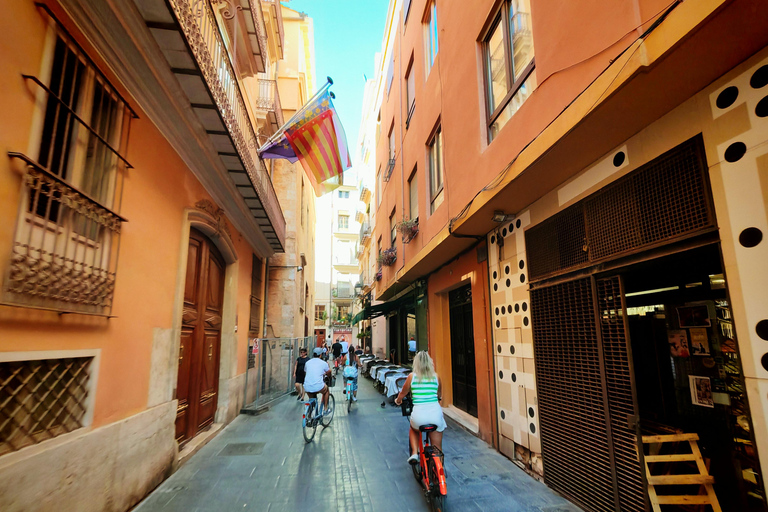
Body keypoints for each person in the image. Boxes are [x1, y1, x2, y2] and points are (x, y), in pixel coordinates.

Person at [395, 351, 446, 464]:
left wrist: (398, 400)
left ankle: (414, 453)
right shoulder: (436, 377)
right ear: (430, 363)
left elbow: (403, 393)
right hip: (435, 415)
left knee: (413, 429)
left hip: (419, 417)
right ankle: (439, 469)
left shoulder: (412, 377)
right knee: (437, 448)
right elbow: (439, 396)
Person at [304, 347, 332, 412]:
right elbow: (329, 372)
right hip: (318, 386)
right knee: (326, 390)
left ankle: (309, 414)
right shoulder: (324, 363)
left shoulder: (307, 363)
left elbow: (306, 371)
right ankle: (325, 408)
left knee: (312, 397)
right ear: (320, 355)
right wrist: (329, 376)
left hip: (307, 386)